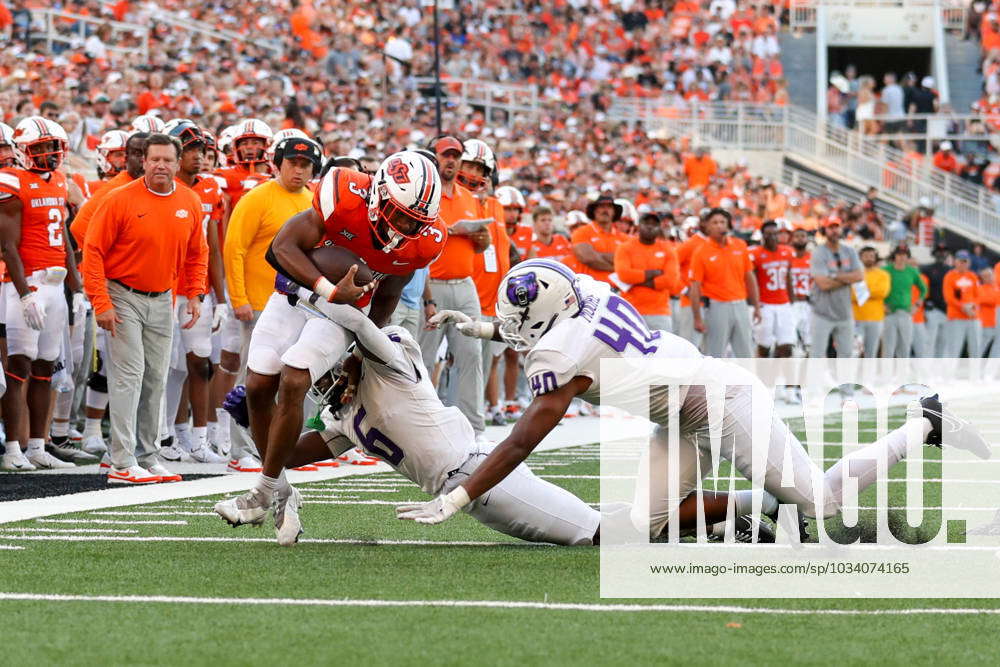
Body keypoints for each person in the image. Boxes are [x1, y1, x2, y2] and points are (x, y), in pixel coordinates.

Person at [395, 260, 989, 536]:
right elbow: (543, 327)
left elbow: (526, 435)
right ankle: (758, 514)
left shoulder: (561, 353)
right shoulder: (586, 293)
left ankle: (923, 423)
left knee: (822, 504)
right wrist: (480, 328)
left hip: (722, 401)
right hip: (679, 411)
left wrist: (462, 495)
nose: (513, 323)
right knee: (646, 526)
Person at [217, 296, 601, 546]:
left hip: (478, 471)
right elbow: (286, 457)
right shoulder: (344, 416)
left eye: (327, 370)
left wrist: (311, 292)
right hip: (470, 494)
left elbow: (366, 329)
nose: (324, 383)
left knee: (591, 532)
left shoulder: (390, 358)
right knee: (581, 530)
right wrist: (254, 417)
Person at [220, 150, 446, 522]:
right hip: (297, 295)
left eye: (414, 222)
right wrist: (327, 288)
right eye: (400, 215)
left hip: (344, 313)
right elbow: (280, 248)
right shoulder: (343, 198)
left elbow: (386, 299)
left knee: (294, 379)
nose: (405, 229)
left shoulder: (423, 242)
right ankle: (280, 491)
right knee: (259, 383)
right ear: (378, 196)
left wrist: (359, 354)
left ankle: (261, 491)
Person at [82, 133, 208, 484]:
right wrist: (101, 301)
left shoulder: (190, 201)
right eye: (154, 159)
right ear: (143, 161)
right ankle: (121, 461)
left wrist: (195, 293)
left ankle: (148, 456)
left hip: (163, 297)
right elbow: (92, 250)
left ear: (178, 162)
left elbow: (199, 252)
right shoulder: (119, 199)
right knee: (128, 375)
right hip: (122, 293)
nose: (160, 166)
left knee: (156, 377)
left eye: (167, 160)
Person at [220, 135, 322, 471]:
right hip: (261, 302)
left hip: (299, 305)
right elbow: (233, 247)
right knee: (255, 379)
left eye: (305, 164)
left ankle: (284, 449)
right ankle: (241, 450)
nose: (298, 169)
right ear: (277, 163)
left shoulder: (312, 201)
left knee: (295, 378)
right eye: (292, 162)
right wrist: (238, 298)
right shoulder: (257, 198)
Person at [0, 117, 83, 471]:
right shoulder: (11, 180)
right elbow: (7, 245)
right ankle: (13, 450)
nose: (48, 154)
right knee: (18, 366)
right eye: (40, 149)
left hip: (55, 284)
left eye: (52, 147)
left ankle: (37, 446)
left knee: (46, 367)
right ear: (22, 151)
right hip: (28, 283)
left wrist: (76, 289)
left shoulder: (62, 180)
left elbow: (63, 236)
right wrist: (23, 293)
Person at [159, 120, 228, 464]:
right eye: (191, 150)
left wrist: (223, 298)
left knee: (199, 365)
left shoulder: (211, 189)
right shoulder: (159, 188)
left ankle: (198, 439)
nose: (199, 157)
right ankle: (164, 435)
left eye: (202, 150)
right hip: (163, 288)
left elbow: (213, 247)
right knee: (165, 367)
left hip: (196, 289)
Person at [418, 136, 490, 435]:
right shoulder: (425, 194)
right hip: (432, 286)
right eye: (446, 155)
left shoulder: (469, 198)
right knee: (423, 356)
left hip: (465, 285)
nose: (451, 161)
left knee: (471, 354)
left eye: (456, 156)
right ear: (435, 158)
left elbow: (480, 247)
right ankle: (421, 423)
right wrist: (447, 231)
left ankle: (473, 427)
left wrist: (481, 240)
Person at [463, 139, 513, 427]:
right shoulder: (462, 201)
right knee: (452, 363)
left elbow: (504, 252)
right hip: (468, 295)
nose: (476, 174)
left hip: (493, 300)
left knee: (482, 364)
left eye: (481, 168)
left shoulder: (496, 206)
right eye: (470, 166)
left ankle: (474, 418)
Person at [689, 208, 760, 358]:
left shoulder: (740, 245)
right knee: (715, 354)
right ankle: (713, 382)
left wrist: (757, 306)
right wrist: (697, 318)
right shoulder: (701, 251)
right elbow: (695, 287)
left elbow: (750, 277)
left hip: (740, 304)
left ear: (728, 225)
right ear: (707, 227)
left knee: (746, 352)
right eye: (715, 222)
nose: (719, 225)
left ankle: (747, 382)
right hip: (717, 307)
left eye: (722, 222)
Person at [613, 212, 680, 332]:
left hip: (659, 312)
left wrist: (636, 281)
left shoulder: (668, 249)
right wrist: (653, 273)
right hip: (630, 310)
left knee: (661, 350)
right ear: (639, 226)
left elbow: (671, 281)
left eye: (654, 224)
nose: (650, 226)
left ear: (659, 228)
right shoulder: (625, 247)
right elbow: (623, 275)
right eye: (646, 223)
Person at [810, 217, 863, 358]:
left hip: (845, 312)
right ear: (824, 230)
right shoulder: (819, 252)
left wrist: (834, 275)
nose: (834, 231)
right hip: (822, 312)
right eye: (830, 227)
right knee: (817, 354)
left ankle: (844, 381)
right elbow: (823, 284)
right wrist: (847, 278)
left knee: (846, 354)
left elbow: (859, 276)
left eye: (836, 227)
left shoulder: (849, 251)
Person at [749, 220, 795, 358]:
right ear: (762, 235)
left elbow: (788, 278)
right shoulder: (755, 254)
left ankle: (786, 379)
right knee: (764, 346)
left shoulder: (787, 252)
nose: (772, 237)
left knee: (786, 346)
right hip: (765, 304)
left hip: (784, 303)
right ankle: (762, 377)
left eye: (775, 233)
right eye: (768, 234)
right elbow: (752, 281)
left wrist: (791, 302)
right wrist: (754, 305)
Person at [882, 246, 927, 358]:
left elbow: (923, 289)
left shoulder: (912, 271)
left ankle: (902, 374)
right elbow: (877, 288)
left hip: (906, 313)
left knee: (905, 347)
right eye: (899, 254)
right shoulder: (885, 270)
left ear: (907, 257)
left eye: (904, 255)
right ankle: (886, 374)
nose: (902, 257)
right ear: (894, 256)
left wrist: (917, 304)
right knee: (888, 347)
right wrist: (881, 305)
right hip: (889, 313)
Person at [570, 195, 624, 284]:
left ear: (614, 212)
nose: (605, 210)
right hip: (591, 289)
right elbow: (588, 258)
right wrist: (619, 267)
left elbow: (631, 261)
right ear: (594, 211)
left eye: (609, 207)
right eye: (602, 206)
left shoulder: (624, 237)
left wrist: (597, 255)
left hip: (618, 289)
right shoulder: (581, 232)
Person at [852, 247, 891, 359]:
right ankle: (852, 376)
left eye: (872, 256)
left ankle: (868, 376)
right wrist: (871, 291)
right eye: (866, 256)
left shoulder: (883, 275)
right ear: (860, 258)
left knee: (871, 352)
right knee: (854, 352)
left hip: (876, 318)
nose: (869, 259)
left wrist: (862, 292)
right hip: (856, 318)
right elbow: (851, 294)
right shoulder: (854, 274)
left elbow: (883, 292)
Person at [942, 250, 981, 358]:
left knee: (976, 348)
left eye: (965, 261)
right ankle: (948, 373)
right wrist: (963, 307)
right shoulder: (949, 276)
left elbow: (978, 295)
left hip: (973, 317)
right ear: (955, 262)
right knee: (953, 348)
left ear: (969, 263)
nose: (963, 263)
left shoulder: (973, 276)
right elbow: (948, 297)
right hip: (956, 317)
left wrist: (972, 306)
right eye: (960, 261)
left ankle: (975, 374)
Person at [920, 245, 951, 357]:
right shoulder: (926, 269)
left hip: (948, 310)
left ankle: (940, 371)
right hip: (932, 309)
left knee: (944, 343)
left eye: (944, 251)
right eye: (939, 251)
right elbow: (922, 289)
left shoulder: (951, 270)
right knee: (929, 341)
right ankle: (926, 370)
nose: (941, 254)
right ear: (934, 253)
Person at [788, 228, 813, 353]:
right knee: (788, 342)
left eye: (803, 236)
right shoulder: (787, 257)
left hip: (809, 303)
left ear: (807, 239)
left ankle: (807, 372)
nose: (800, 238)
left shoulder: (813, 258)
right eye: (797, 236)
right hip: (791, 304)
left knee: (810, 344)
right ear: (792, 239)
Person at [978, 267, 1000, 358]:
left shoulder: (997, 288)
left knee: (998, 346)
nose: (989, 278)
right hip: (986, 323)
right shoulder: (980, 289)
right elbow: (985, 300)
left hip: (997, 323)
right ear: (982, 278)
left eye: (990, 275)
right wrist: (995, 299)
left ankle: (990, 371)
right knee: (980, 347)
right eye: (985, 276)